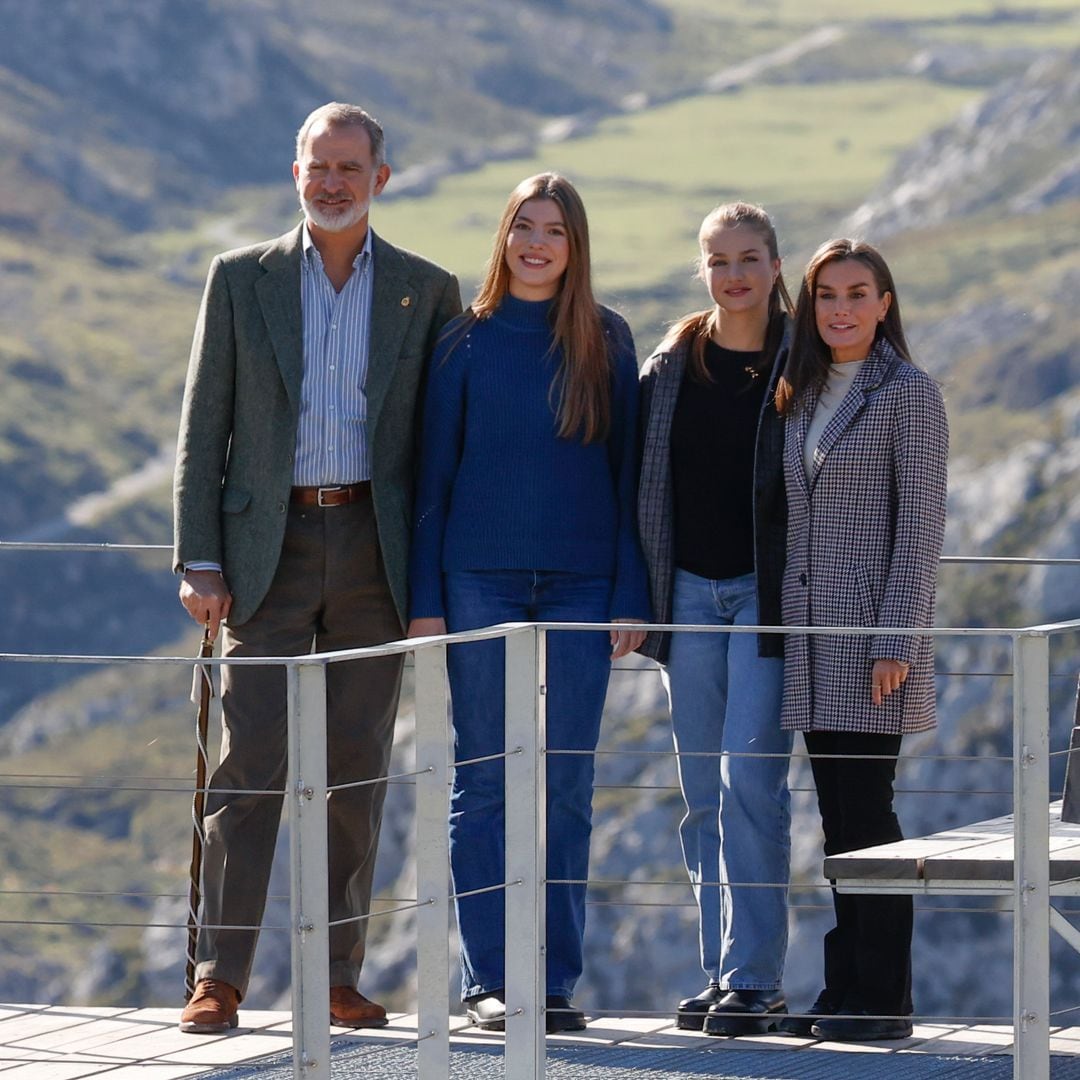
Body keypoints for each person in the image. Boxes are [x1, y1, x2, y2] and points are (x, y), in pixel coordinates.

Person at [173, 102, 461, 1034]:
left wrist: (433, 580)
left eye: (349, 166)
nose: (331, 182)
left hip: (375, 555)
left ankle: (338, 977)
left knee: (355, 775)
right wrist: (201, 557)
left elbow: (438, 449)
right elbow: (200, 429)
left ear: (382, 178)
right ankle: (218, 976)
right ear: (293, 173)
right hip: (267, 553)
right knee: (246, 767)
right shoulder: (239, 280)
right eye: (316, 166)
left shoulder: (427, 290)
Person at [407, 173, 650, 1034]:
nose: (537, 243)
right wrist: (426, 598)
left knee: (568, 782)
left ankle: (553, 982)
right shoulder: (460, 344)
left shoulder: (608, 342)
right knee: (486, 781)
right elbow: (430, 478)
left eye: (554, 230)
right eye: (524, 227)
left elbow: (629, 484)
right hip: (478, 580)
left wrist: (630, 591)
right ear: (504, 238)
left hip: (586, 584)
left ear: (576, 246)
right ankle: (489, 982)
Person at [775, 238, 948, 1041]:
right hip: (813, 640)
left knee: (869, 814)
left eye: (858, 292)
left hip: (872, 643)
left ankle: (884, 1000)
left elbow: (919, 528)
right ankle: (845, 989)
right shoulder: (803, 390)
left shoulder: (909, 393)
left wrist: (897, 639)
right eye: (826, 295)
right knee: (838, 819)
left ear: (885, 303)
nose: (840, 308)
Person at [637, 202, 794, 1036]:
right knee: (701, 792)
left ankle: (756, 978)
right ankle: (722, 972)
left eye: (749, 258)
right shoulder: (671, 366)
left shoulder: (808, 360)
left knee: (749, 783)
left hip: (769, 601)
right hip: (690, 595)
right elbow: (637, 488)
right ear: (703, 270)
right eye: (718, 260)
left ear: (776, 265)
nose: (733, 274)